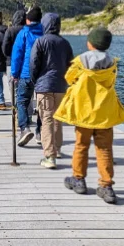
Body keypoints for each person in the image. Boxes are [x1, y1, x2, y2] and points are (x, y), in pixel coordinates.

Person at [55, 27, 124, 203]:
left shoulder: (81, 61)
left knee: (81, 145)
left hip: (85, 111)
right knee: (104, 149)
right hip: (105, 112)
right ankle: (106, 185)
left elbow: (68, 77)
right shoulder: (112, 62)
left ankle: (78, 179)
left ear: (91, 43)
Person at [28, 12, 73, 169]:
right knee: (57, 118)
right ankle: (58, 150)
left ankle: (49, 156)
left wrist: (36, 81)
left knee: (46, 118)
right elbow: (71, 65)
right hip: (61, 86)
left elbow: (33, 64)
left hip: (44, 86)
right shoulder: (65, 43)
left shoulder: (40, 42)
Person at [9, 6, 44, 145]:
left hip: (26, 73)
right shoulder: (45, 32)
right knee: (42, 104)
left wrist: (14, 74)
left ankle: (24, 128)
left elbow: (17, 55)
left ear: (27, 20)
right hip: (42, 74)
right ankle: (40, 132)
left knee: (22, 101)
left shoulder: (24, 33)